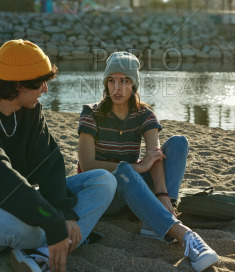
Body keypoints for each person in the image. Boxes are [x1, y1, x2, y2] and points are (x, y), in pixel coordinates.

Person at [78, 51, 219, 272]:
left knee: (178, 142)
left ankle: (161, 215)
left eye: (124, 81)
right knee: (125, 171)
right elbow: (86, 165)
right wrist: (138, 167)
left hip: (134, 188)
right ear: (105, 83)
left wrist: (163, 194)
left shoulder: (144, 114)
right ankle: (183, 234)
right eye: (111, 80)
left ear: (134, 84)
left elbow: (155, 155)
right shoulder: (90, 113)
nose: (117, 88)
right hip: (105, 194)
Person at [0, 40, 117, 272]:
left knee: (104, 180)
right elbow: (3, 178)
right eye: (40, 82)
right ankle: (49, 241)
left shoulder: (31, 111)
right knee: (26, 229)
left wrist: (61, 211)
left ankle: (41, 250)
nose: (45, 89)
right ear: (17, 85)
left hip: (23, 200)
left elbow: (49, 162)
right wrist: (54, 221)